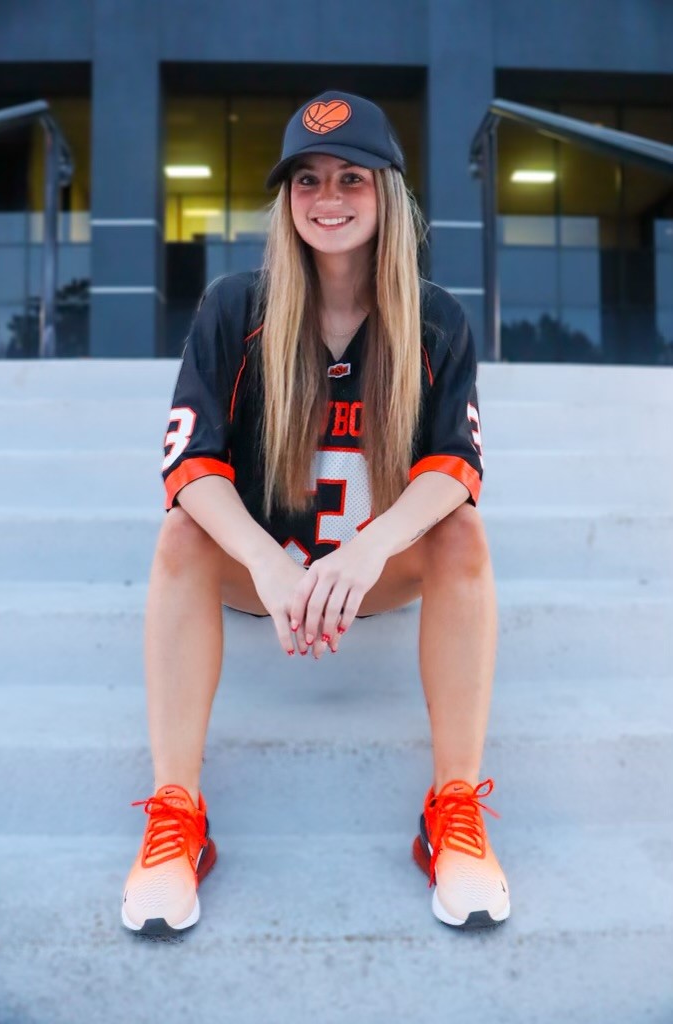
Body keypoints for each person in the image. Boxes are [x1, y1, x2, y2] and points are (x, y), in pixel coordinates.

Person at [121, 89, 510, 937]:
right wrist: (266, 560)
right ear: (286, 199)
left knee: (463, 535)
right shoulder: (237, 307)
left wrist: (369, 549)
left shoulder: (436, 321)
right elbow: (191, 468)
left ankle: (453, 810)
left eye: (350, 180)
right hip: (263, 577)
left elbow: (456, 471)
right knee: (183, 531)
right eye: (306, 182)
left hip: (371, 578)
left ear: (389, 195)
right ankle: (176, 816)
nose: (327, 200)